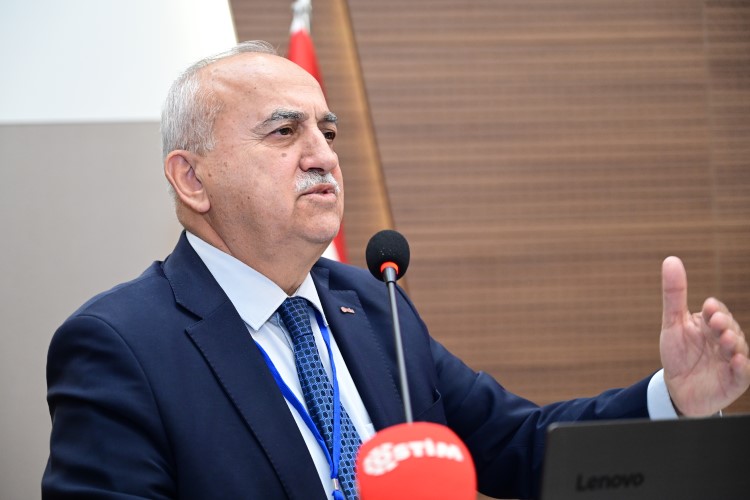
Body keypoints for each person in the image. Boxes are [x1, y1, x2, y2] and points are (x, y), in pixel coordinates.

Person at [42, 40, 750, 500]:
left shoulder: (371, 300)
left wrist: (671, 399)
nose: (323, 155)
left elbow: (516, 443)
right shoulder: (120, 344)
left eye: (328, 131)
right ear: (191, 179)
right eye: (284, 131)